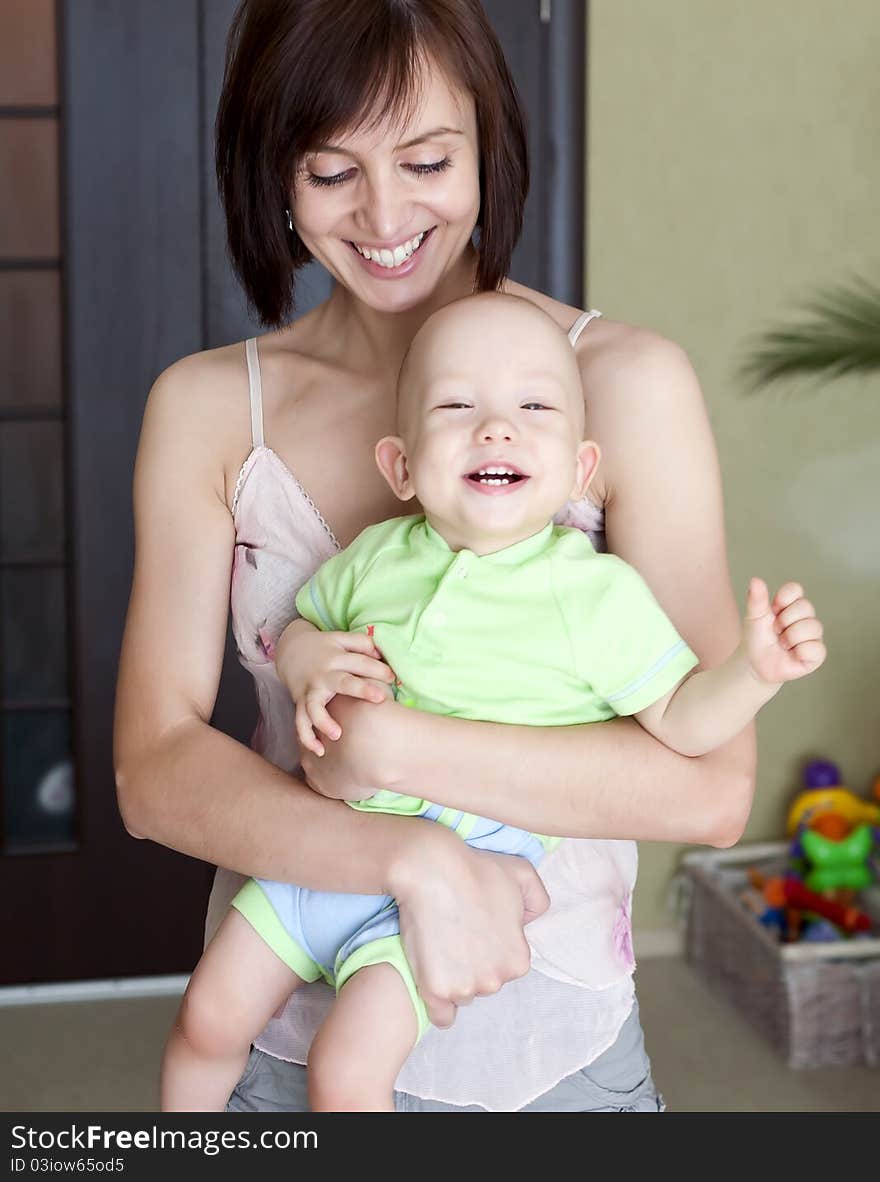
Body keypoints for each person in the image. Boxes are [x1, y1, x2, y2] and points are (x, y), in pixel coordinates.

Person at [114, 0, 765, 1114]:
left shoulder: (624, 384)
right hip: (283, 1036)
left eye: (426, 159)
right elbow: (153, 768)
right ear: (271, 175)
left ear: (486, 146)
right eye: (330, 171)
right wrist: (407, 856)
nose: (385, 215)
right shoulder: (209, 409)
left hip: (554, 1051)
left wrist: (392, 753)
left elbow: (708, 786)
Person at [159, 293, 825, 1111]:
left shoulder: (593, 598)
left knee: (347, 1072)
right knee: (206, 1018)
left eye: (533, 406)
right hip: (322, 857)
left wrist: (755, 673)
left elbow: (684, 722)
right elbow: (300, 624)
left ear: (581, 470)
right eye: (457, 406)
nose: (496, 428)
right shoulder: (377, 558)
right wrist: (305, 661)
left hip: (451, 893)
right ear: (400, 466)